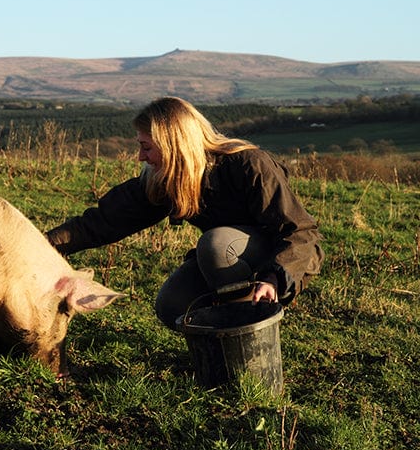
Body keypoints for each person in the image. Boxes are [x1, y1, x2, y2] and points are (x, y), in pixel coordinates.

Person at [46, 96, 324, 330]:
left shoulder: (249, 165)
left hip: (278, 260)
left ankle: (247, 338)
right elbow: (105, 221)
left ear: (173, 145)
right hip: (230, 260)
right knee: (173, 305)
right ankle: (217, 343)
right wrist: (41, 246)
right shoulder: (166, 179)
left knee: (216, 244)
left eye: (146, 147)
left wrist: (273, 278)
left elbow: (301, 233)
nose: (141, 157)